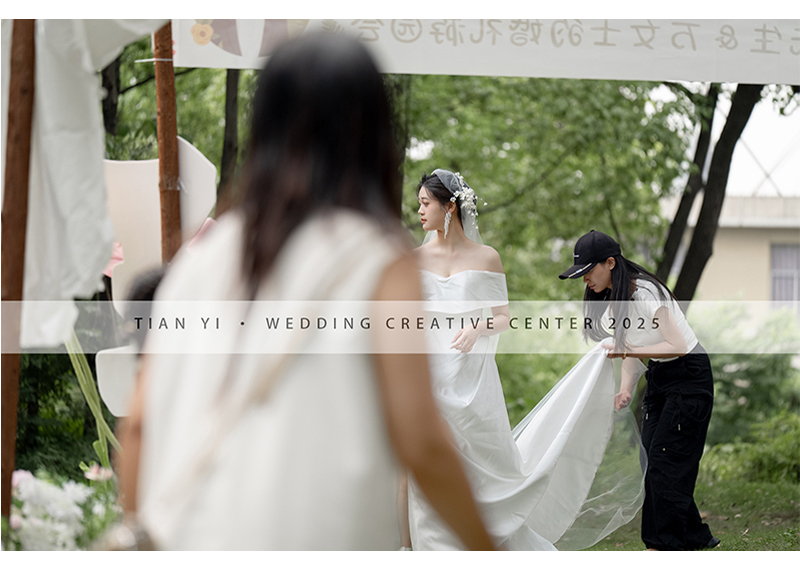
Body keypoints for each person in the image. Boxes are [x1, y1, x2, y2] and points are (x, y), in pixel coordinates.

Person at [116, 34, 494, 551]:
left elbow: (139, 426)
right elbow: (422, 442)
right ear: (373, 135)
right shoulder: (379, 261)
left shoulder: (199, 258)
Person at [406, 171, 644, 550]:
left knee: (483, 461)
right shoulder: (414, 259)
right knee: (430, 457)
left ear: (450, 207)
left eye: (425, 203)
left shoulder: (486, 257)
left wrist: (476, 328)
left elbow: (503, 317)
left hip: (472, 375)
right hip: (430, 370)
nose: (419, 211)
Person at [559, 229, 719, 551]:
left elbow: (676, 345)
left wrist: (628, 351)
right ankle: (694, 537)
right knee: (653, 461)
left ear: (610, 263)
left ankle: (661, 546)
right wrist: (626, 389)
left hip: (688, 375)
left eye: (588, 271)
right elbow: (632, 348)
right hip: (661, 376)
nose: (585, 279)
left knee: (665, 460)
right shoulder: (615, 300)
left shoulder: (646, 293)